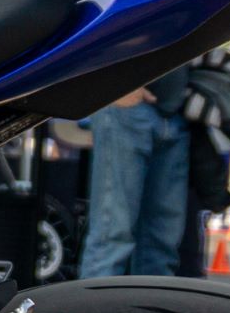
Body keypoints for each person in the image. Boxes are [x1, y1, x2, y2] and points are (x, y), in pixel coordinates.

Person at [80, 60, 193, 277]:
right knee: (112, 237)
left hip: (172, 107)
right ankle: (93, 301)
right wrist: (112, 84)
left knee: (161, 244)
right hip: (127, 104)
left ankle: (146, 302)